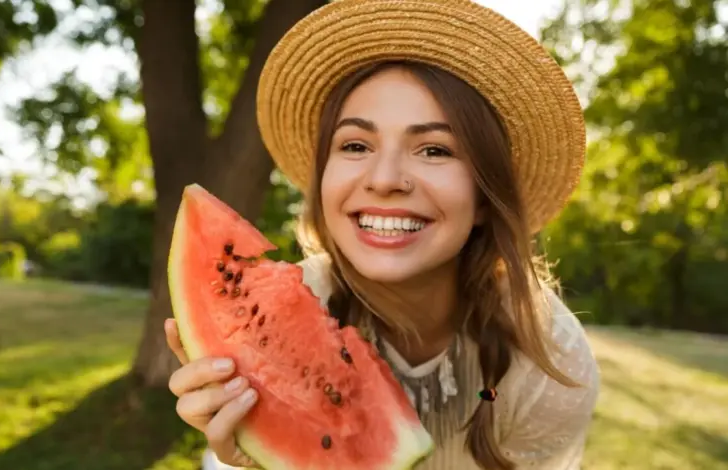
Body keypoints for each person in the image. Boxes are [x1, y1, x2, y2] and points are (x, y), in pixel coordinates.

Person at [164, 0, 601, 469]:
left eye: (434, 149)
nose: (385, 178)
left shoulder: (549, 364)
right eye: (355, 145)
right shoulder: (293, 303)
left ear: (482, 199)